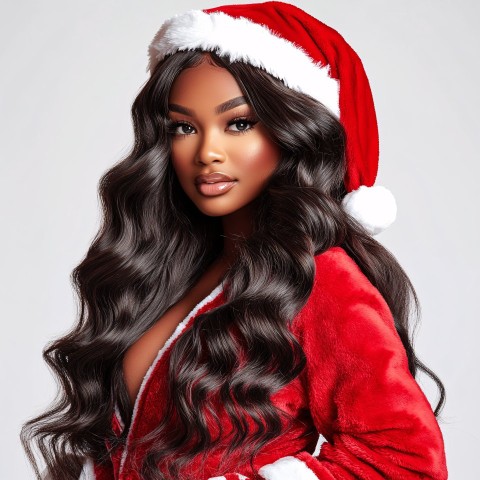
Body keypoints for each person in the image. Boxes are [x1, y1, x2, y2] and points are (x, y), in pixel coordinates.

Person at [21, 2, 448, 479]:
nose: (207, 152)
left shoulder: (322, 278)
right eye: (184, 126)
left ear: (292, 132)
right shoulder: (176, 271)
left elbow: (407, 460)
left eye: (238, 123)